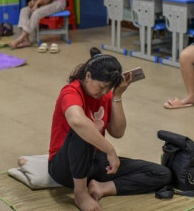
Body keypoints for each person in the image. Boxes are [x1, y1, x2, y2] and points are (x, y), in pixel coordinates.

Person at [48, 47, 171, 211]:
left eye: (109, 88)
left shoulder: (105, 95)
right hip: (65, 167)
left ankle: (101, 188)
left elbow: (118, 132)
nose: (105, 92)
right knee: (84, 130)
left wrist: (117, 96)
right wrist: (110, 151)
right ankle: (80, 193)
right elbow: (77, 121)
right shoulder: (71, 91)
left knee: (161, 174)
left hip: (93, 161)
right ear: (88, 76)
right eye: (102, 87)